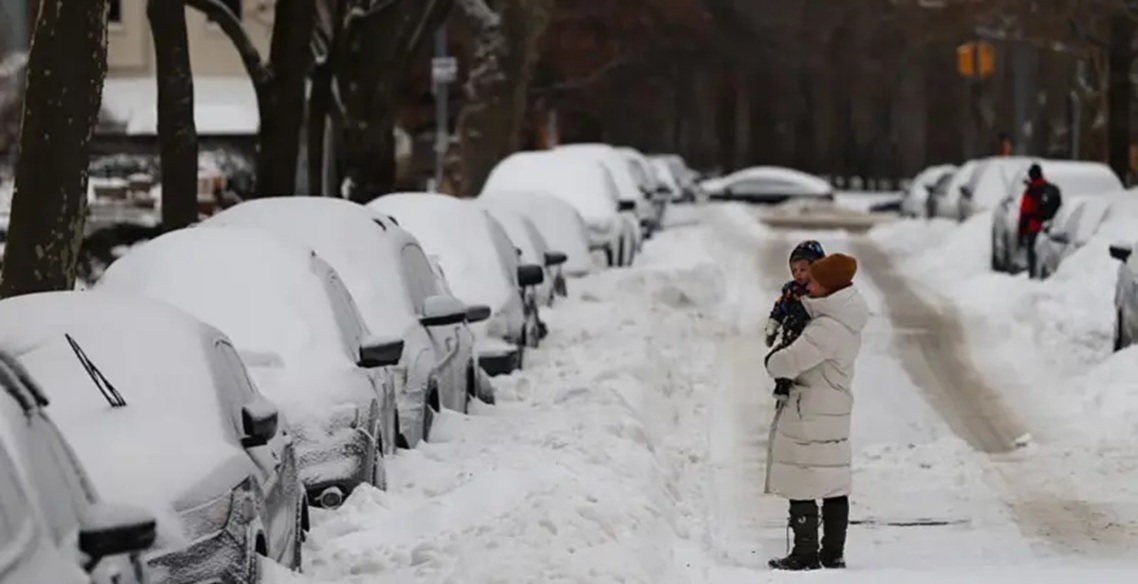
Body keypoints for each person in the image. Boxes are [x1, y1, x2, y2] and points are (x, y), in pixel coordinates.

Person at [763, 253, 869, 571]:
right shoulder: (845, 321)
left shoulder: (826, 329)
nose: (808, 284)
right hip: (832, 408)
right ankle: (832, 553)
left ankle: (805, 552)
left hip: (810, 410)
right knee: (833, 481)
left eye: (815, 281)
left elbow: (784, 362)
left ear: (830, 287)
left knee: (803, 478)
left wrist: (772, 359)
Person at [764, 240, 826, 401]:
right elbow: (780, 307)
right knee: (775, 359)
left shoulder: (823, 291)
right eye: (794, 270)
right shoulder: (792, 290)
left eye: (803, 269)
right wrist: (773, 325)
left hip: (812, 338)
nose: (798, 274)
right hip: (791, 334)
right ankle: (782, 384)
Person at [1018, 163, 1060, 276]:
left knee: (1033, 256)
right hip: (1049, 228)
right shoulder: (1049, 189)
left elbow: (1024, 212)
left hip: (1033, 227)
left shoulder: (1030, 191)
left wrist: (1021, 233)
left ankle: (1033, 276)